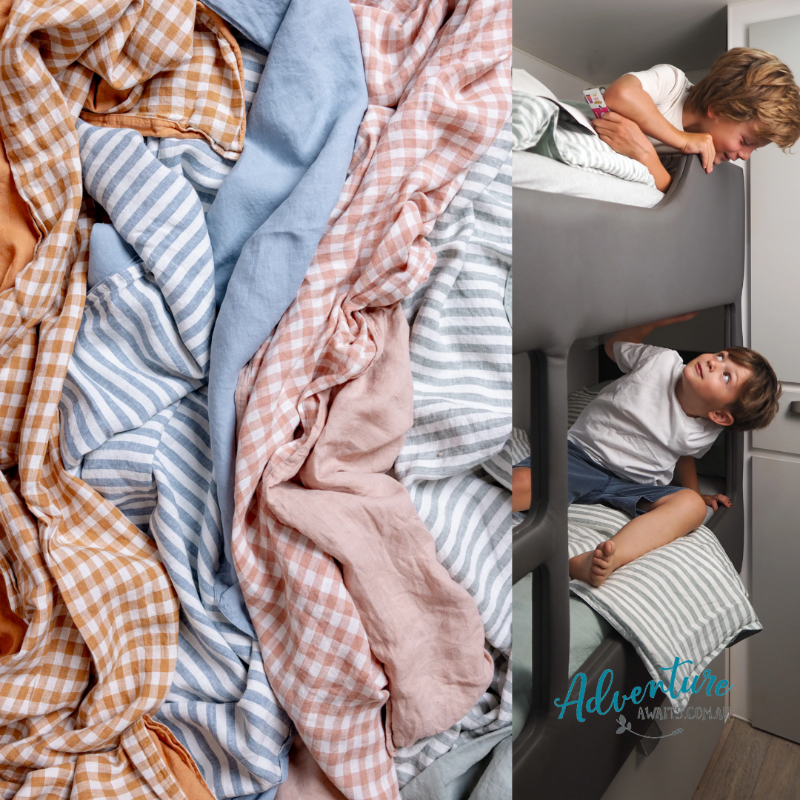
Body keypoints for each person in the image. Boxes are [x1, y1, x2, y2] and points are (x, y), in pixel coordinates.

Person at [512, 314, 781, 587]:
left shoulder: (707, 431)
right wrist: (654, 322)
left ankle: (605, 559)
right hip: (581, 458)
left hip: (633, 486)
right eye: (722, 356)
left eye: (726, 376)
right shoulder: (662, 361)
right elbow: (613, 346)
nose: (714, 362)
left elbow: (683, 455)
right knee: (520, 484)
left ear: (719, 416)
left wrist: (696, 494)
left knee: (692, 507)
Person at [591, 48, 800, 191]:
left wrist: (644, 155)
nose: (745, 156)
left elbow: (676, 198)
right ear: (717, 108)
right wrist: (682, 139)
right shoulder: (672, 84)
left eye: (753, 149)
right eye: (745, 142)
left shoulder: (706, 157)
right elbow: (620, 94)